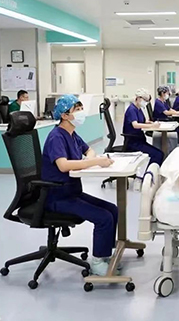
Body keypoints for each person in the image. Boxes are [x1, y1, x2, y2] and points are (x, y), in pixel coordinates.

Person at [41, 94, 118, 276]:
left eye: (81, 108)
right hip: (57, 196)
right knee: (103, 217)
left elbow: (89, 150)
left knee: (112, 210)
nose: (81, 113)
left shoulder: (72, 135)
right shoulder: (56, 137)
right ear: (65, 115)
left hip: (72, 192)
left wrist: (89, 160)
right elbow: (63, 165)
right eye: (77, 109)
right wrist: (94, 162)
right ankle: (97, 261)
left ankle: (105, 255)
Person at [123, 89, 164, 166]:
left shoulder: (138, 109)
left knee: (160, 153)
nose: (146, 102)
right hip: (133, 143)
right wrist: (151, 126)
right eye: (145, 100)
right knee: (157, 155)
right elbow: (135, 125)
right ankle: (149, 173)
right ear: (138, 98)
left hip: (140, 140)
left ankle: (151, 171)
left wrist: (150, 123)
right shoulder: (131, 109)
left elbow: (143, 121)